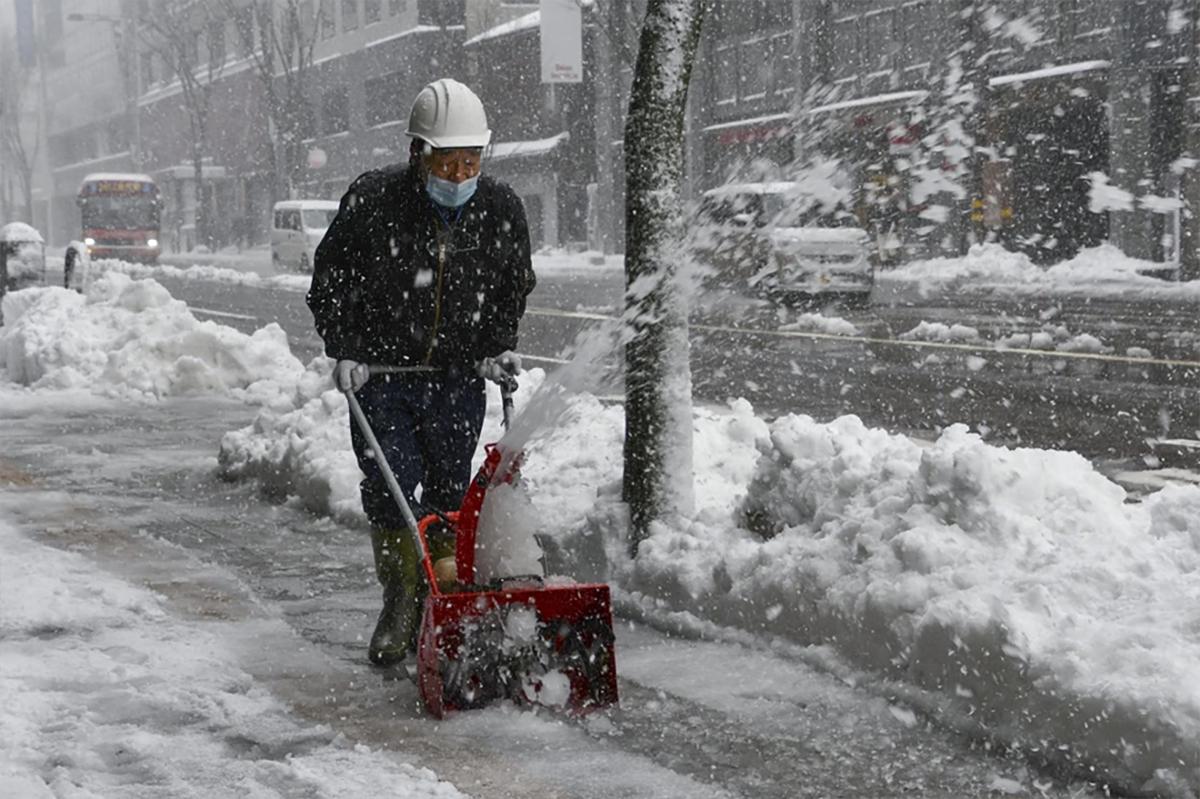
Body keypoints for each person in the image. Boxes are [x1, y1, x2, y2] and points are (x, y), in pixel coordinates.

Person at [306, 78, 536, 667]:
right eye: (447, 161)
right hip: (382, 377)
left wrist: (497, 345)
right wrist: (347, 347)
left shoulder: (500, 208)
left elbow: (512, 286)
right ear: (418, 154)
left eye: (470, 161)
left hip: (455, 377)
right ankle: (402, 600)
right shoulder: (374, 200)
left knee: (449, 489)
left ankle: (446, 596)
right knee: (391, 486)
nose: (459, 175)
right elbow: (331, 280)